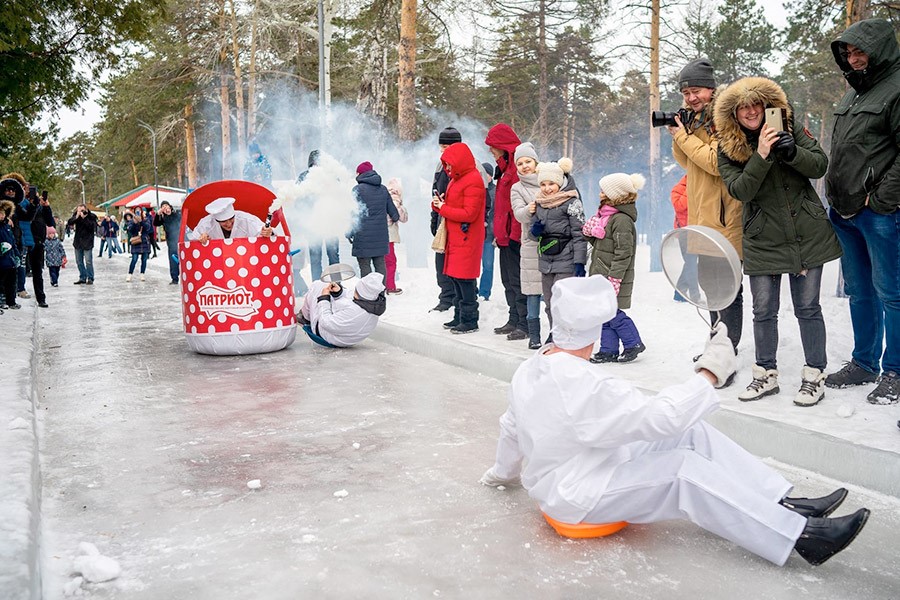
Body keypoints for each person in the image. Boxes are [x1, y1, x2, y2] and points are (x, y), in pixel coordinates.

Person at [479, 275, 870, 567]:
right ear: (593, 331)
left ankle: (781, 500)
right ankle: (800, 536)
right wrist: (710, 373)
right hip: (580, 494)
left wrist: (500, 474)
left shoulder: (531, 368)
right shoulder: (582, 382)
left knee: (692, 430)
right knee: (682, 470)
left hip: (585, 466)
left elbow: (510, 429)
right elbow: (660, 417)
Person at [715, 77, 842, 406]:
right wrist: (762, 154)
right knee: (764, 311)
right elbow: (741, 190)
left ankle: (815, 375)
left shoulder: (791, 128)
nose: (751, 111)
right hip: (762, 237)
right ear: (734, 114)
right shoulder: (727, 145)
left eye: (756, 104)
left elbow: (820, 165)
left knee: (808, 308)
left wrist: (792, 151)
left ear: (767, 105)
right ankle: (765, 375)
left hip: (805, 234)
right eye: (743, 107)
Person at [824, 18, 900, 405]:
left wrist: (881, 200)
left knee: (893, 292)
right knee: (860, 291)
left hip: (879, 213)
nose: (853, 59)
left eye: (859, 51)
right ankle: (864, 362)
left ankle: (896, 371)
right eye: (848, 53)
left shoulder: (897, 87)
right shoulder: (854, 93)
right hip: (844, 209)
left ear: (881, 49)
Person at [668, 59, 744, 355]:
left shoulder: (726, 119)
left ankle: (728, 349)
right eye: (686, 93)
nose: (691, 98)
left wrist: (684, 138)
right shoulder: (696, 120)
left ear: (711, 89)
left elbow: (714, 163)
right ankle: (716, 345)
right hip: (701, 219)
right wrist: (680, 134)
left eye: (696, 91)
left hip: (725, 220)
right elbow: (687, 162)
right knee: (711, 290)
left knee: (728, 290)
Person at [584, 172, 646, 363]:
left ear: (616, 194)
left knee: (612, 312)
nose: (600, 193)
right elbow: (603, 244)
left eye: (604, 190)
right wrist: (591, 232)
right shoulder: (606, 216)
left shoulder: (621, 221)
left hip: (613, 275)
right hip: (602, 272)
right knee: (604, 312)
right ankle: (608, 350)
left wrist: (615, 278)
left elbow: (623, 252)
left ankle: (633, 342)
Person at [431, 142, 486, 334]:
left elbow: (469, 214)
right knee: (455, 278)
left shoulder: (473, 180)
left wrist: (444, 208)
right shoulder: (456, 179)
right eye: (445, 165)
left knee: (465, 280)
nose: (447, 168)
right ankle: (459, 316)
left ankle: (470, 320)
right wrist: (440, 204)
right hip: (455, 238)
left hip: (466, 239)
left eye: (449, 164)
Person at [529, 159, 587, 339]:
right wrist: (535, 231)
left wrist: (579, 262)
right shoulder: (539, 202)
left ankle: (566, 334)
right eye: (543, 184)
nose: (547, 188)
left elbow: (580, 234)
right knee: (549, 302)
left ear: (560, 183)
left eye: (552, 184)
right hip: (546, 258)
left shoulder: (572, 203)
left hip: (566, 258)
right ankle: (555, 332)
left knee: (563, 302)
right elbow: (532, 235)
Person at [485, 123, 528, 339]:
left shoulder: (517, 169)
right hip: (504, 235)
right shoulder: (502, 169)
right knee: (508, 280)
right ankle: (513, 318)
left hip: (516, 236)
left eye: (492, 145)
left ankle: (524, 322)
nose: (490, 150)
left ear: (502, 145)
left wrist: (514, 232)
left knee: (518, 280)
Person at [510, 143, 544, 348]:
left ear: (535, 162)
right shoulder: (517, 188)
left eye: (528, 162)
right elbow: (518, 214)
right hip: (531, 245)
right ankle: (534, 336)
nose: (524, 166)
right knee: (532, 291)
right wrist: (530, 209)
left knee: (552, 291)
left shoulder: (549, 179)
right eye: (520, 163)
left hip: (554, 243)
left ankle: (556, 334)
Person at [298, 272, 386, 348]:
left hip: (326, 335)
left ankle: (305, 317)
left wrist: (324, 298)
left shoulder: (355, 313)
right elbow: (351, 297)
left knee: (317, 286)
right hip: (344, 336)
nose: (354, 291)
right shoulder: (371, 303)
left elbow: (325, 322)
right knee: (323, 285)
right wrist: (339, 292)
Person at [349, 162, 400, 278]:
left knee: (365, 266)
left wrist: (349, 233)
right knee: (380, 265)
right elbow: (394, 213)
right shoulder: (383, 189)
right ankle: (381, 294)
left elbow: (353, 214)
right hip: (380, 236)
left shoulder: (357, 190)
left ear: (360, 174)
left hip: (362, 237)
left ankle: (367, 294)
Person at [431, 127, 462, 312]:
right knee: (440, 261)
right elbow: (435, 192)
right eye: (441, 146)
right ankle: (445, 297)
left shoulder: (469, 164)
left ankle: (458, 299)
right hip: (442, 219)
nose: (442, 150)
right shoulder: (439, 165)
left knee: (457, 264)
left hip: (457, 220)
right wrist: (434, 218)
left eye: (445, 146)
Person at [297, 150, 340, 281]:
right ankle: (322, 285)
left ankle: (333, 284)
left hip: (327, 222)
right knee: (320, 257)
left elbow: (340, 196)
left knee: (329, 256)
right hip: (316, 223)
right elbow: (298, 201)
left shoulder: (329, 176)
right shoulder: (305, 177)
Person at [669, 175, 700, 303]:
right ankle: (694, 296)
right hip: (684, 232)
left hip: (698, 231)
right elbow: (679, 206)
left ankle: (679, 292)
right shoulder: (677, 189)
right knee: (691, 263)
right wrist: (691, 189)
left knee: (691, 263)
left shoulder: (700, 188)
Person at [190, 197, 272, 241]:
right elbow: (193, 241)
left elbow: (266, 231)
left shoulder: (246, 219)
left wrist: (268, 232)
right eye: (224, 221)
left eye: (231, 219)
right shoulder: (206, 224)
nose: (229, 224)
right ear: (216, 220)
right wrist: (200, 239)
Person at [385, 178, 408, 294]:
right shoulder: (395, 200)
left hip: (381, 235)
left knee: (383, 262)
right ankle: (390, 287)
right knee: (390, 262)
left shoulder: (382, 196)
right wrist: (401, 207)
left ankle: (386, 286)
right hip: (388, 235)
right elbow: (401, 218)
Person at [66, 203, 98, 285]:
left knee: (88, 261)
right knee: (79, 261)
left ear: (86, 209)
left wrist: (84, 218)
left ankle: (90, 277)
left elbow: (92, 226)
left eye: (82, 210)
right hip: (78, 242)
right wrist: (76, 216)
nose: (81, 212)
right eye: (79, 210)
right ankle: (82, 277)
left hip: (87, 242)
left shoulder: (91, 216)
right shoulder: (76, 216)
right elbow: (69, 223)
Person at [479, 162, 496, 303]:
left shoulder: (496, 191)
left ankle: (484, 293)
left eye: (487, 174)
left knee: (488, 266)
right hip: (475, 234)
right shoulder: (476, 189)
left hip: (489, 235)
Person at [154, 200, 182, 284]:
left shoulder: (176, 214)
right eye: (163, 207)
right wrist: (157, 214)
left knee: (183, 258)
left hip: (180, 239)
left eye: (166, 205)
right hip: (171, 241)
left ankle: (186, 275)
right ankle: (174, 278)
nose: (165, 208)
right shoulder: (163, 218)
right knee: (173, 259)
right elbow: (155, 223)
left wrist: (172, 212)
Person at [0, 199, 21, 311]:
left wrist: (17, 255)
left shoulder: (7, 226)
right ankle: (2, 302)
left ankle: (11, 301)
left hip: (10, 259)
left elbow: (13, 242)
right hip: (2, 259)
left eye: (3, 213)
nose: (1, 216)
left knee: (11, 282)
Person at [126, 208, 152, 282]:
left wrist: (141, 221)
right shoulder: (132, 221)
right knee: (134, 259)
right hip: (136, 241)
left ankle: (142, 273)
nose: (138, 212)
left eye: (139, 211)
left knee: (144, 259)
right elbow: (130, 230)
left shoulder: (145, 219)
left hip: (144, 240)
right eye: (136, 211)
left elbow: (148, 228)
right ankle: (130, 274)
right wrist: (134, 223)